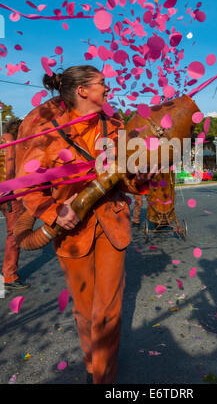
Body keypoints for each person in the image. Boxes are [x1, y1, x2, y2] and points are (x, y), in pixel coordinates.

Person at [15, 65, 152, 384]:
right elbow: (27, 185)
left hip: (112, 225)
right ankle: (93, 365)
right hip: (70, 233)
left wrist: (140, 177)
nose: (108, 89)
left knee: (108, 312)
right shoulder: (47, 132)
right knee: (85, 309)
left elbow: (128, 179)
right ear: (82, 91)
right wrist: (52, 212)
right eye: (102, 84)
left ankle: (104, 378)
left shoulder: (115, 125)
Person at [0, 118, 30, 291]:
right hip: (10, 194)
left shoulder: (2, 141)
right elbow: (12, 169)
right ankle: (9, 275)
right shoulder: (16, 145)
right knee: (14, 235)